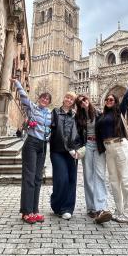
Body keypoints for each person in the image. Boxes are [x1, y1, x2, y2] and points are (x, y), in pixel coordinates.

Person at [95, 81, 128, 223]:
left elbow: (127, 98)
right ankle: (119, 210)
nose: (109, 101)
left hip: (120, 145)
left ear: (115, 102)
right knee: (114, 181)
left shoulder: (119, 111)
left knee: (127, 179)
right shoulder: (102, 116)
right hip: (108, 149)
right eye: (107, 99)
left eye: (111, 99)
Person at [10, 78, 52, 224]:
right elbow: (24, 97)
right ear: (39, 99)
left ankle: (34, 211)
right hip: (31, 144)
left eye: (47, 99)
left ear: (49, 102)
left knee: (38, 178)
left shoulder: (49, 114)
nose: (44, 100)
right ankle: (26, 212)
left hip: (42, 145)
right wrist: (17, 83)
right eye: (42, 98)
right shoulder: (33, 108)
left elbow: (51, 129)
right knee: (29, 177)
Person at [76, 95, 112, 224]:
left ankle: (101, 208)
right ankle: (91, 207)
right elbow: (77, 134)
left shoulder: (98, 113)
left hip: (99, 146)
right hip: (87, 146)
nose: (83, 103)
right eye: (80, 102)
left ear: (88, 100)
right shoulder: (78, 117)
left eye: (84, 100)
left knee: (100, 175)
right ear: (79, 105)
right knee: (88, 176)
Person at [50, 91, 81, 220]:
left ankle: (67, 208)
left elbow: (79, 133)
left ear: (74, 102)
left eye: (72, 99)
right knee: (61, 179)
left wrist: (77, 149)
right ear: (64, 98)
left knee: (71, 179)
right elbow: (52, 130)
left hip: (72, 152)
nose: (69, 100)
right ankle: (57, 205)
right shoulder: (55, 112)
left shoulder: (75, 115)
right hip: (57, 150)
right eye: (67, 97)